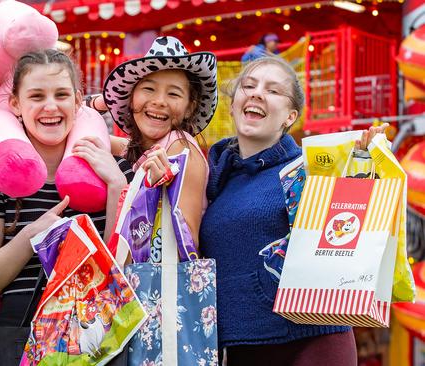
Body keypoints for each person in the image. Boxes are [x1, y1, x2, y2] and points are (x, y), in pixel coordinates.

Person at [198, 56, 385, 365]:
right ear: (232, 105)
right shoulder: (215, 177)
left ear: (290, 117)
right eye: (248, 85)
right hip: (242, 346)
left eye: (273, 90)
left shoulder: (307, 169)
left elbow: (345, 232)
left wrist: (365, 166)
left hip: (312, 340)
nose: (257, 93)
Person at [0, 49, 132, 325]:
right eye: (36, 96)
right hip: (21, 337)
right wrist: (33, 234)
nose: (51, 107)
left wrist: (117, 187)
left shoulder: (118, 172)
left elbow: (125, 271)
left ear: (78, 101)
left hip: (100, 335)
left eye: (62, 95)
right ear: (16, 104)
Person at [102, 35, 217, 245]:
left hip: (159, 276)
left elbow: (187, 240)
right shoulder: (140, 148)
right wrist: (98, 103)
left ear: (189, 108)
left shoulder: (180, 148)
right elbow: (95, 138)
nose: (159, 101)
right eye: (148, 89)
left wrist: (150, 193)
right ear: (132, 96)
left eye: (173, 94)